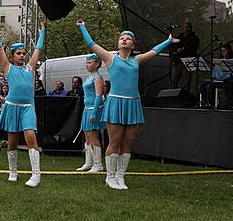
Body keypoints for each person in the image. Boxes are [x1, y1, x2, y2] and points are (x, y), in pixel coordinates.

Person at [77, 19, 178, 190]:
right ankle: (110, 177)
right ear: (118, 43)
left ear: (132, 44)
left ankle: (120, 176)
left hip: (133, 104)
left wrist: (168, 41)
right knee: (114, 142)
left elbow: (154, 51)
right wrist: (82, 27)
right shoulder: (110, 58)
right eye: (121, 38)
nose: (124, 39)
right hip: (116, 103)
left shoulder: (136, 60)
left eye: (128, 38)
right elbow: (91, 43)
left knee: (128, 143)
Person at [0, 16, 45, 187]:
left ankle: (36, 175)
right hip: (11, 107)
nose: (22, 55)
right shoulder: (8, 67)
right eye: (19, 53)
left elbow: (38, 49)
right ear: (12, 56)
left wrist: (42, 33)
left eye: (24, 53)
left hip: (27, 107)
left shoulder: (30, 67)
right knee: (12, 140)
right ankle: (13, 171)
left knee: (30, 137)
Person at [76, 54, 106, 172]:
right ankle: (89, 162)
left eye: (90, 63)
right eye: (87, 63)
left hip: (94, 109)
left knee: (93, 137)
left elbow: (99, 95)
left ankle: (98, 164)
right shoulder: (90, 77)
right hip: (87, 109)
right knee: (87, 136)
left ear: (97, 64)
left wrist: (94, 112)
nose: (87, 65)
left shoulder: (97, 77)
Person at [171, 21, 200, 90]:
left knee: (185, 84)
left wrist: (183, 49)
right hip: (177, 62)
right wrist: (177, 49)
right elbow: (173, 46)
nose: (186, 29)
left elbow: (192, 47)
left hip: (188, 62)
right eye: (185, 27)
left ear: (190, 28)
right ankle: (174, 98)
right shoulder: (179, 37)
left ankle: (184, 99)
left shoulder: (195, 38)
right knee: (174, 82)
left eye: (188, 27)